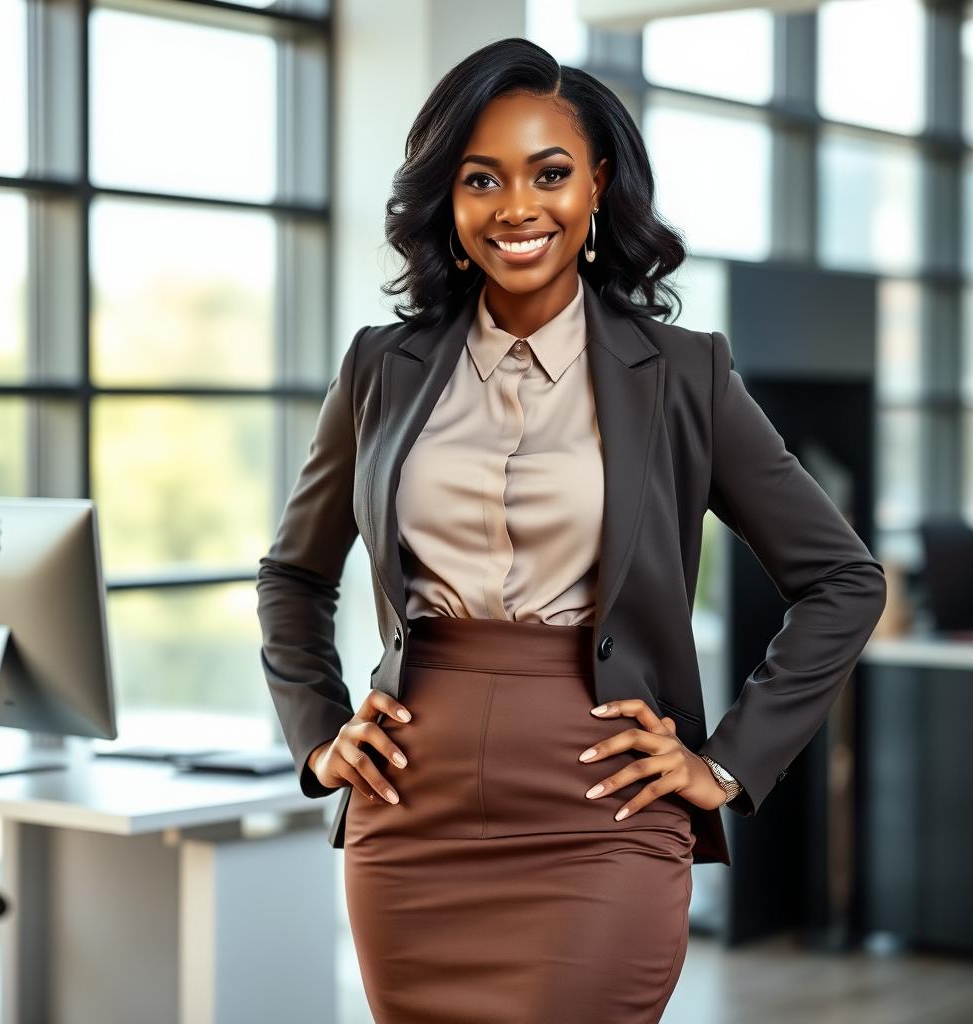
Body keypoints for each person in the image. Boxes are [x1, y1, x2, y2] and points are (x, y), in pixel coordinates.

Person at [256, 36, 887, 1024]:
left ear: (595, 185)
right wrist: (319, 735)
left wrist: (722, 761)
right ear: (446, 199)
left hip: (604, 816)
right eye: (481, 179)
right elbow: (293, 574)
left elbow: (843, 579)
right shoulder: (382, 367)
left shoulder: (682, 374)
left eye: (548, 173)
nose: (516, 208)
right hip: (408, 821)